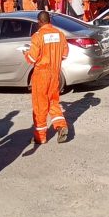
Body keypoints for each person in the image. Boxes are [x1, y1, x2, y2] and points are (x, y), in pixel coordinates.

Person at [23, 10, 69, 144]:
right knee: (53, 102)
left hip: (41, 74)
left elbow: (32, 58)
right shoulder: (60, 34)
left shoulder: (37, 36)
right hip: (55, 73)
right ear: (49, 21)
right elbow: (65, 55)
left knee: (40, 105)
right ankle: (61, 126)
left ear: (39, 22)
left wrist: (26, 53)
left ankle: (40, 137)